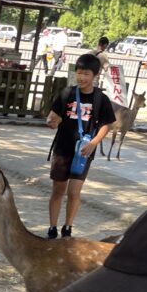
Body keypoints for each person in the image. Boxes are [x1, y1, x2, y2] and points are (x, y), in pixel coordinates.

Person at [45, 53, 115, 238]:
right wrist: (51, 121)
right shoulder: (67, 93)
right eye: (79, 73)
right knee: (58, 191)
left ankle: (67, 227)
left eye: (86, 74)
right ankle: (52, 228)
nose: (82, 77)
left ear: (95, 76)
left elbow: (106, 124)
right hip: (62, 149)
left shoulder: (101, 99)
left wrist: (94, 143)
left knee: (74, 192)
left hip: (83, 152)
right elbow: (54, 116)